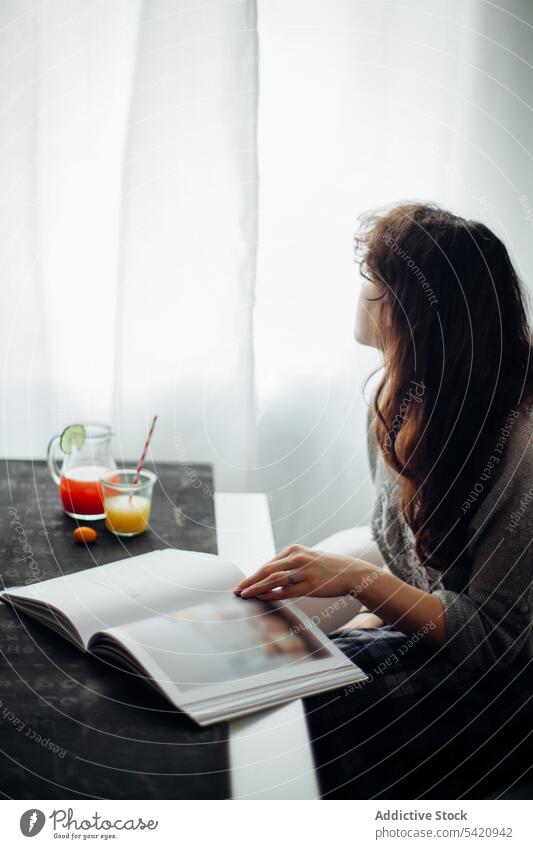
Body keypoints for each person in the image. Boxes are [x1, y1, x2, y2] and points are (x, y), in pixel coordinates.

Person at [233, 203, 533, 798]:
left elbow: (498, 642)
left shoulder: (518, 448)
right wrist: (341, 593)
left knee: (310, 702)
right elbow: (407, 559)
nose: (361, 291)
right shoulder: (407, 397)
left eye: (374, 279)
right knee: (266, 651)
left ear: (417, 309)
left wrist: (358, 586)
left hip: (505, 691)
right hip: (454, 640)